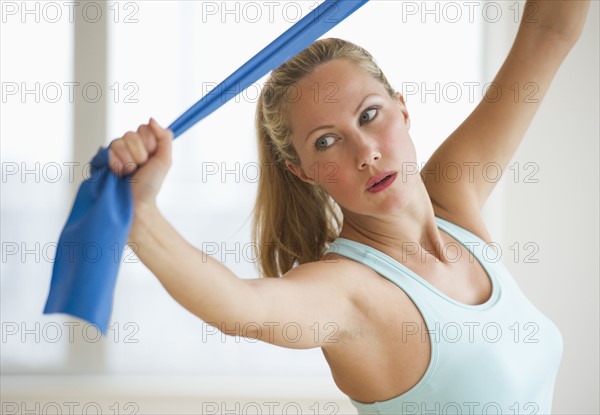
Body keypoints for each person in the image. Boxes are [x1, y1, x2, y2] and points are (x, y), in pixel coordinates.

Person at [108, 1, 590, 413]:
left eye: (369, 115)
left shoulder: (453, 204)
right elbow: (244, 308)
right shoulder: (349, 292)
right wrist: (141, 216)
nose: (365, 152)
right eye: (326, 142)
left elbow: (548, 32)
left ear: (403, 109)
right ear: (302, 171)